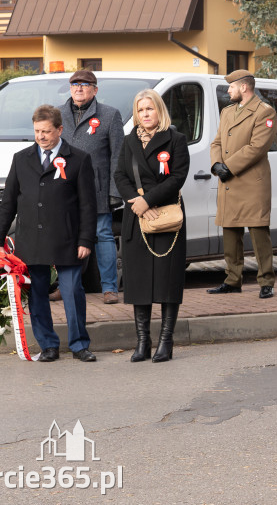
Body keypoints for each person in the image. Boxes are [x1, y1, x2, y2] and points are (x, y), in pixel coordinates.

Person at [0, 105, 97, 362]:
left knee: (72, 292)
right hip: (32, 239)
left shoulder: (79, 159)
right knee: (37, 294)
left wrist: (85, 239)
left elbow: (88, 205)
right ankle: (48, 345)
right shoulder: (21, 158)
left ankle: (80, 345)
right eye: (37, 131)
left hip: (67, 239)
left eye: (47, 131)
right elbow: (8, 203)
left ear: (60, 129)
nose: (41, 136)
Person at [113, 89, 189, 363]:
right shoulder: (128, 140)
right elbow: (119, 175)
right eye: (140, 109)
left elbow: (178, 177)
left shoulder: (176, 139)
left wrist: (149, 200)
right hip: (137, 217)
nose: (145, 114)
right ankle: (143, 342)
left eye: (150, 109)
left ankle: (166, 341)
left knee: (168, 281)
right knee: (139, 281)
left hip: (166, 216)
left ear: (159, 110)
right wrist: (137, 202)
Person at [207, 70, 277, 299]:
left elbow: (257, 147)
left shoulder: (265, 112)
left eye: (231, 87)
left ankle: (266, 281)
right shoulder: (227, 111)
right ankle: (232, 279)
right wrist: (217, 164)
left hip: (251, 183)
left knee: (258, 235)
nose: (228, 91)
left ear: (244, 87)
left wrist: (228, 167)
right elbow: (216, 141)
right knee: (230, 233)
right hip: (229, 181)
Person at [56, 70, 124, 304]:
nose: (79, 88)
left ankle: (109, 288)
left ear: (95, 90)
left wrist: (115, 191)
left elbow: (118, 156)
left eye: (85, 85)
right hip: (64, 189)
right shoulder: (58, 114)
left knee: (103, 235)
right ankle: (65, 287)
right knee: (65, 237)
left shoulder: (110, 115)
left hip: (97, 189)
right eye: (74, 84)